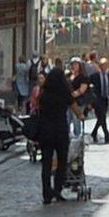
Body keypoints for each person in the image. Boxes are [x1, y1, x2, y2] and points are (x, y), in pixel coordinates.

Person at [35, 65, 83, 205]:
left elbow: (38, 107)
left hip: (45, 131)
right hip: (60, 130)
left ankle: (46, 194)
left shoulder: (44, 93)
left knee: (46, 163)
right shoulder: (64, 93)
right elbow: (76, 110)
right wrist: (81, 115)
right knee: (62, 162)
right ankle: (57, 190)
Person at [88, 54, 109, 144]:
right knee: (102, 116)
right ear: (100, 66)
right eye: (103, 65)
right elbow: (90, 89)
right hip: (97, 100)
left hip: (106, 99)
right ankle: (106, 136)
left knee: (101, 118)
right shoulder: (94, 76)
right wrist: (90, 102)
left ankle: (94, 133)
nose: (105, 67)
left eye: (106, 65)